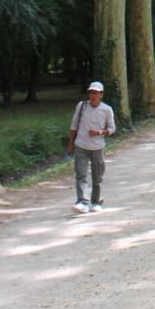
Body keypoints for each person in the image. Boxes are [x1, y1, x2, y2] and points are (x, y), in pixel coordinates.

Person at [66, 80, 116, 214]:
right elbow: (74, 125)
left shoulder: (107, 109)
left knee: (97, 176)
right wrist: (70, 143)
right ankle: (82, 202)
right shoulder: (82, 106)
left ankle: (96, 202)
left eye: (95, 93)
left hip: (98, 147)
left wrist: (100, 132)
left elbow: (112, 128)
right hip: (81, 145)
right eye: (91, 92)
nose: (93, 95)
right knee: (80, 174)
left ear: (101, 94)